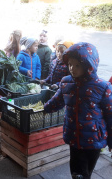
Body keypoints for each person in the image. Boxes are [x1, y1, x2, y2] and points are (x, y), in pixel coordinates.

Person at [44, 42, 112, 179]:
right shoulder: (66, 82)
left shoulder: (102, 86)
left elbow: (110, 115)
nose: (72, 69)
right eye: (69, 64)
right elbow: (57, 100)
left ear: (88, 65)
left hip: (94, 139)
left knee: (86, 171)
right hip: (73, 136)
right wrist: (45, 108)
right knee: (76, 172)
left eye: (77, 65)